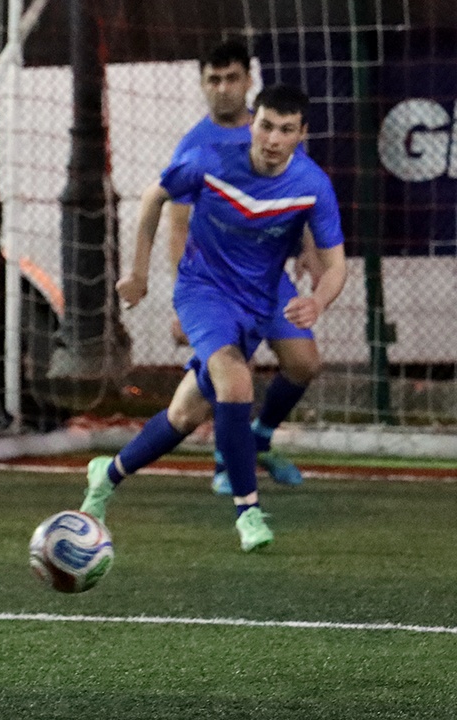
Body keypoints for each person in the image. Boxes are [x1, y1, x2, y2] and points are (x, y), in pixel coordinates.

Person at [80, 84, 346, 552]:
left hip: (259, 297)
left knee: (184, 415)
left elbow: (337, 263)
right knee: (235, 381)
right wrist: (138, 273)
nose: (273, 139)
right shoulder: (209, 161)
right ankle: (248, 511)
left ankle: (110, 473)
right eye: (265, 126)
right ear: (252, 124)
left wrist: (319, 301)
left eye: (286, 130)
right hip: (204, 291)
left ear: (302, 134)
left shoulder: (312, 185)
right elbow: (154, 197)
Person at [166, 40, 323, 495]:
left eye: (231, 78)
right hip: (216, 283)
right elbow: (178, 226)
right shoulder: (194, 146)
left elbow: (302, 194)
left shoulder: (273, 129)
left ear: (249, 80)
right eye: (213, 80)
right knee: (233, 371)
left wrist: (311, 248)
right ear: (202, 85)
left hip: (268, 278)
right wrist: (181, 299)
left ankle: (260, 439)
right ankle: (225, 463)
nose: (223, 88)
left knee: (304, 363)